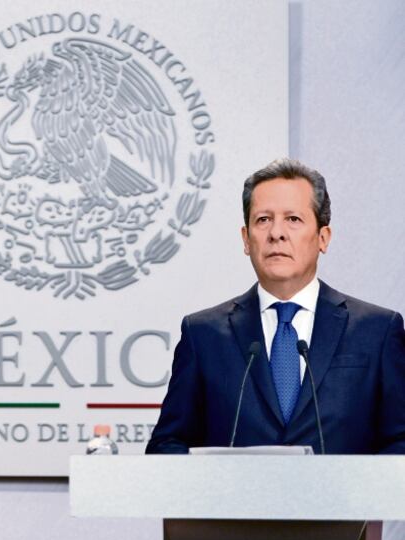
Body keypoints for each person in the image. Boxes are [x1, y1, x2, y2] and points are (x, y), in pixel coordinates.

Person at [147, 158, 405, 454]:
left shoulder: (377, 331)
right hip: (235, 501)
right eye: (263, 220)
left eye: (293, 219)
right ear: (246, 239)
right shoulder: (203, 334)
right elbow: (167, 445)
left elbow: (400, 441)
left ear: (323, 237)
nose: (276, 233)